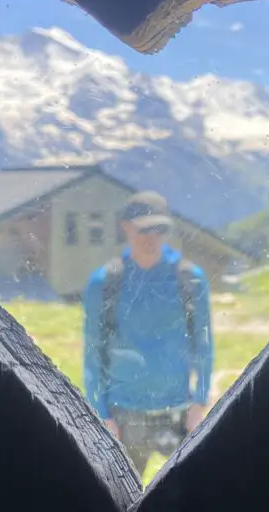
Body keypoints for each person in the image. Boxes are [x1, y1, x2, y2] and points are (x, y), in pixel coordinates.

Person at [83, 191, 214, 478]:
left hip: (179, 412)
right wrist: (101, 416)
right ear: (125, 227)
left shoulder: (189, 278)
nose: (152, 236)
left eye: (160, 228)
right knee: (119, 498)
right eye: (144, 228)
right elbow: (93, 353)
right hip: (124, 415)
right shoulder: (104, 282)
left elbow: (203, 344)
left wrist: (200, 402)